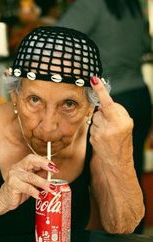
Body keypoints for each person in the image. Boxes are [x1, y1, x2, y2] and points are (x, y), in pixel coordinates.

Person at [0, 26, 144, 242]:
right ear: (15, 95)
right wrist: (0, 200)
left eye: (69, 104)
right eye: (34, 100)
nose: (48, 125)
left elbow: (122, 226)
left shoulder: (98, 135)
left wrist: (120, 156)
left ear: (90, 107)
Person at [57, 0, 152, 187]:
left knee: (101, 182)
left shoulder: (90, 5)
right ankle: (135, 218)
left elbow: (53, 42)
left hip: (108, 100)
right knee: (132, 176)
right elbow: (146, 44)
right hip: (139, 96)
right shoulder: (132, 6)